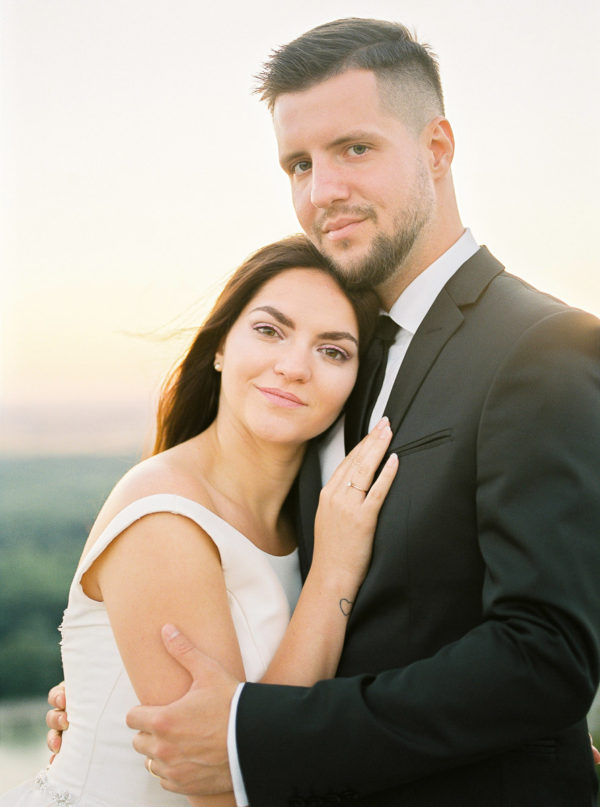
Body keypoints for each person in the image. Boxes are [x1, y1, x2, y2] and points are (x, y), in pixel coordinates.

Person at [86, 17, 599, 807]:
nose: (321, 191)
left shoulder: (540, 344)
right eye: (298, 163)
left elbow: (543, 656)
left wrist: (251, 736)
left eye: (354, 149)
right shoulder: (334, 359)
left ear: (436, 149)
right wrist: (104, 711)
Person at [1, 234, 399, 807]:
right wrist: (335, 574)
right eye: (269, 330)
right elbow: (226, 785)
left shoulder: (313, 519)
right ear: (218, 348)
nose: (292, 367)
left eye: (332, 351)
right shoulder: (164, 513)